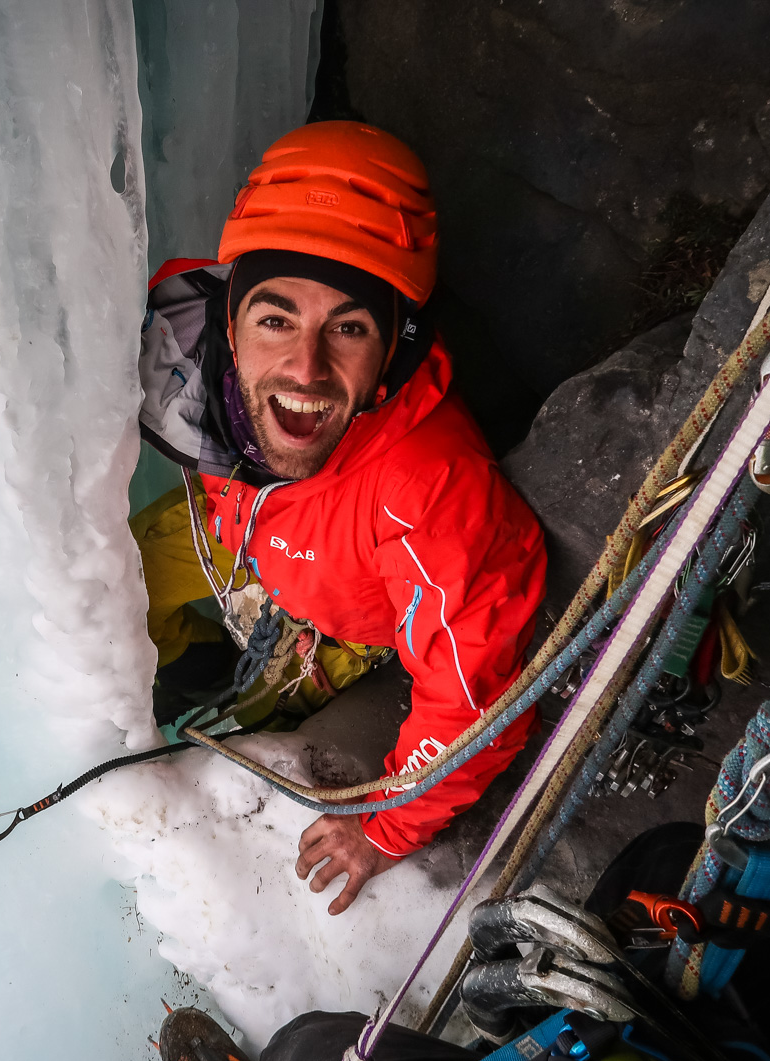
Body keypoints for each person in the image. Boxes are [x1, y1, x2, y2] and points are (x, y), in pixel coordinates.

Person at [132, 121, 547, 915]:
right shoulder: (183, 346)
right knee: (122, 572)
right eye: (276, 318)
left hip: (341, 611)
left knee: (224, 729)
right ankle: (175, 662)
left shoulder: (431, 492)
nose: (306, 367)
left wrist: (387, 827)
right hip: (245, 531)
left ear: (395, 346)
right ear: (229, 317)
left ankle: (197, 694)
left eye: (349, 329)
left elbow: (473, 698)